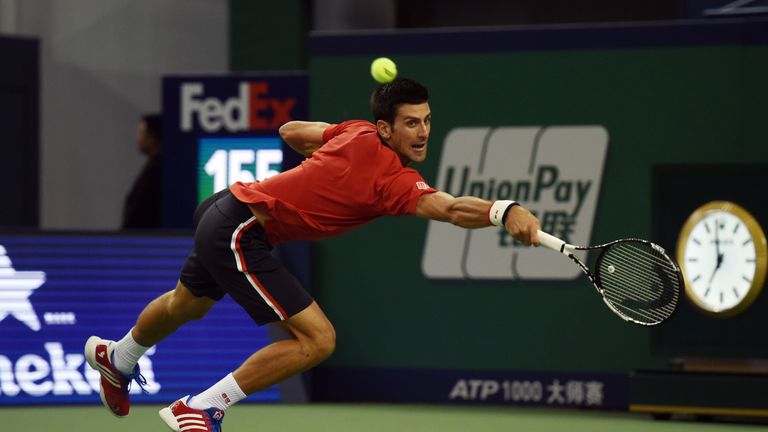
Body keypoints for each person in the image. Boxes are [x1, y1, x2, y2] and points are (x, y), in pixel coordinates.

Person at [85, 78, 541, 432]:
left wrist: (328, 150)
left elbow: (290, 131)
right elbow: (450, 208)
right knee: (319, 340)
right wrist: (504, 210)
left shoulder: (356, 133)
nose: (422, 132)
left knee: (188, 304)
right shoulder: (392, 179)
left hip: (222, 208)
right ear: (386, 127)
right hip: (241, 229)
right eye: (410, 123)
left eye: (426, 120)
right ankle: (201, 407)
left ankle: (119, 356)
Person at [122, 113, 163, 229]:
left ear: (153, 137)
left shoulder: (156, 170)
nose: (138, 139)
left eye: (142, 134)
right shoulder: (153, 166)